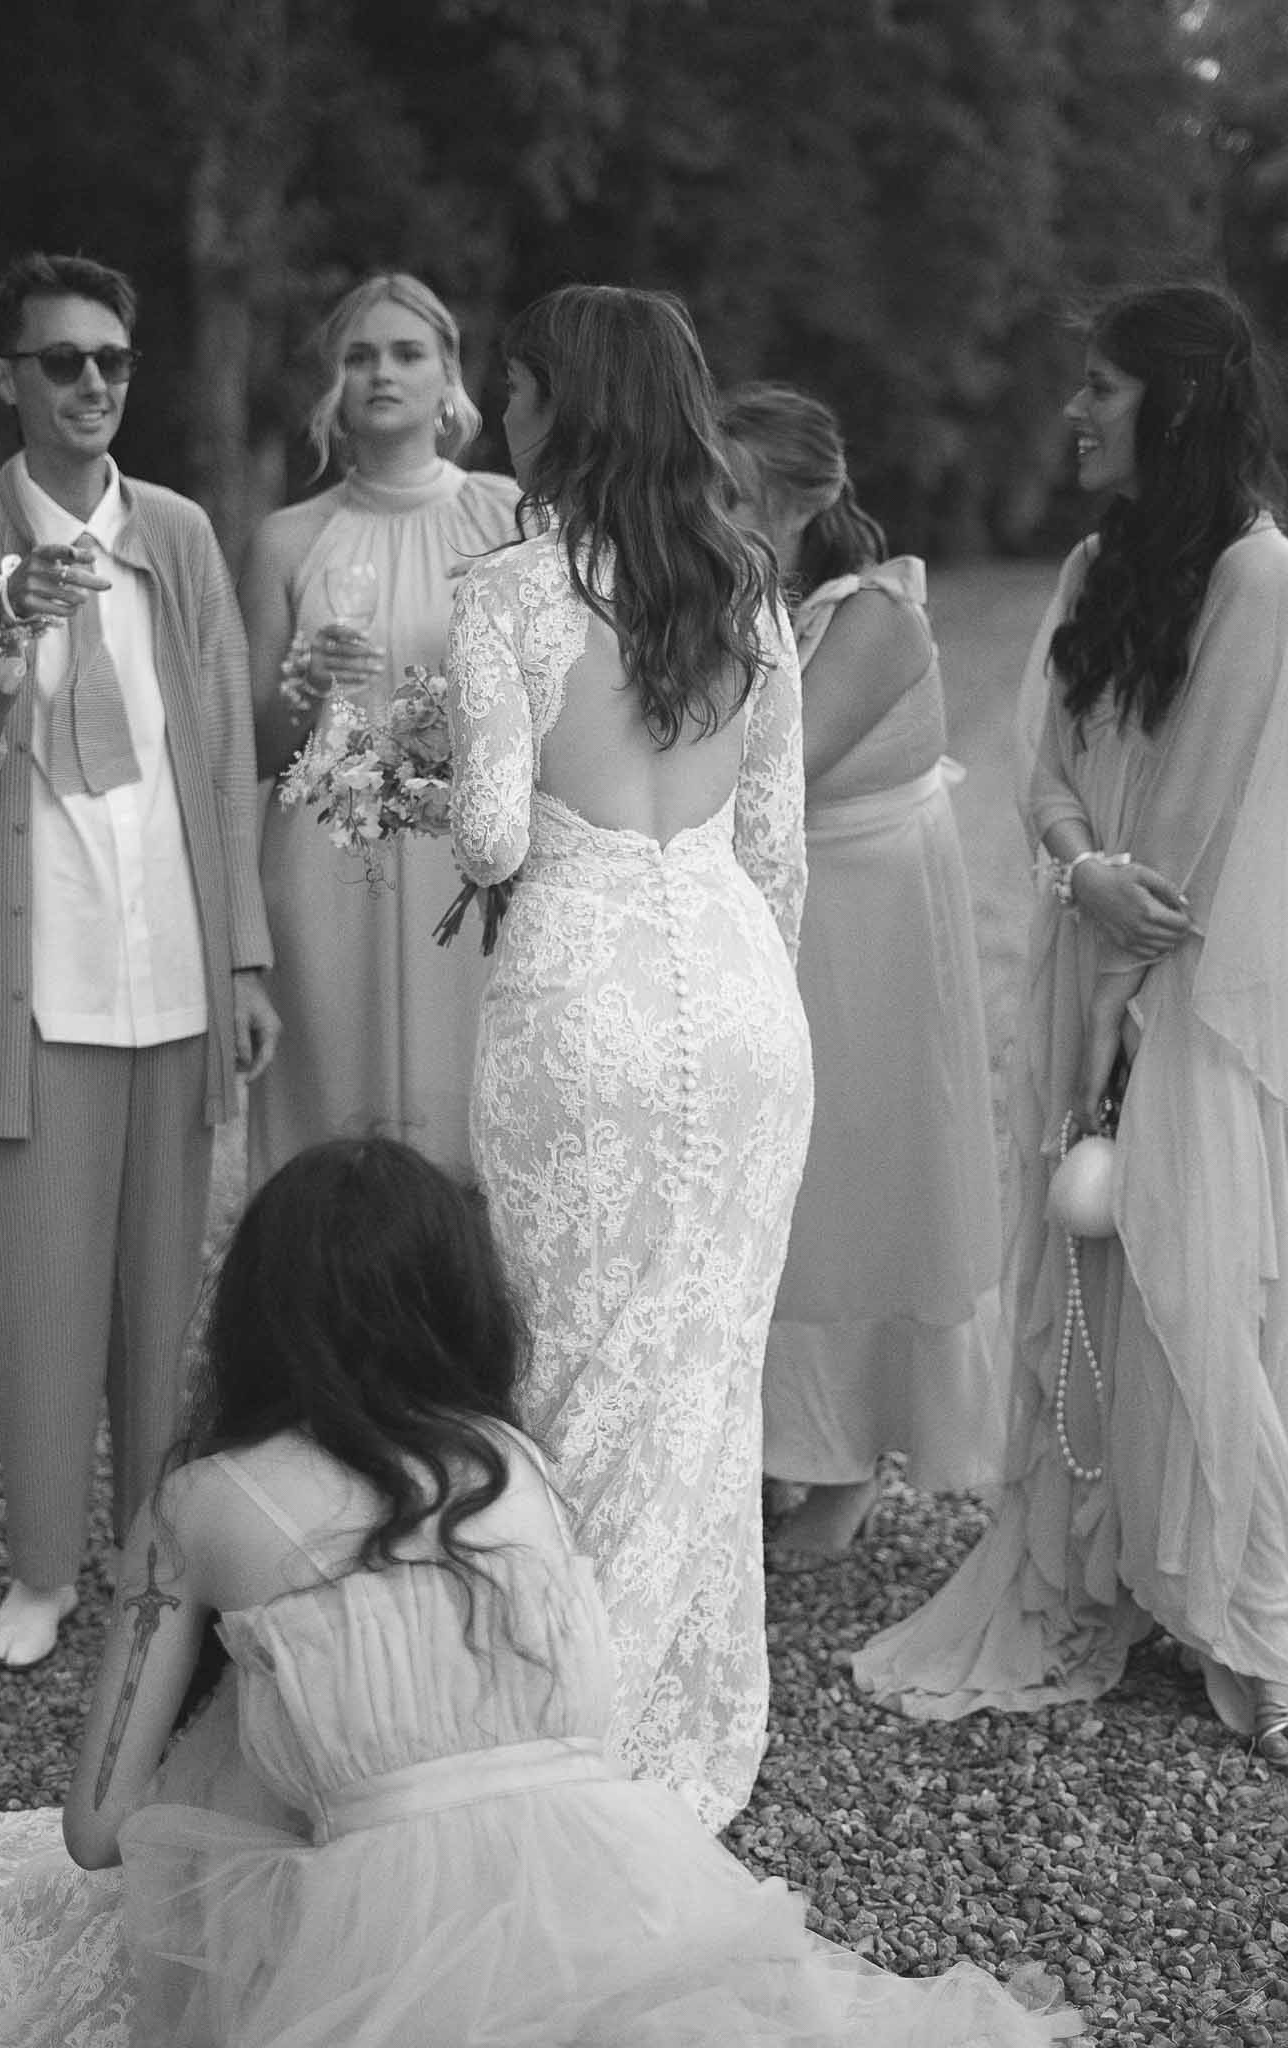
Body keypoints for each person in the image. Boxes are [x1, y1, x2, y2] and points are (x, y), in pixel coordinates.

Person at [0, 1137, 1083, 2047]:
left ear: (257, 1314)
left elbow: (97, 1829)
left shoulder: (201, 1502)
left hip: (373, 1923)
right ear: (461, 1300)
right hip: (609, 1870)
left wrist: (252, 1759)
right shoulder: (510, 1462)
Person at [853, 281, 1288, 1767]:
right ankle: (1099, 1559)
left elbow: (1198, 815)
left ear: (1174, 400)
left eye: (1100, 385)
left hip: (1181, 985)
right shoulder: (1098, 564)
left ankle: (1251, 1614)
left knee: (1185, 1276)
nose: (1072, 409)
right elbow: (1040, 762)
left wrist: (1121, 999)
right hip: (1079, 941)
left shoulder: (1255, 573)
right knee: (1081, 1267)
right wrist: (1073, 866)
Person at [0, 251, 279, 1671]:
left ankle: (144, 1559)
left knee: (161, 1297)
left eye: (112, 359)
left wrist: (242, 958)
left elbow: (223, 751)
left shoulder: (175, 531)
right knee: (42, 1289)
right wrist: (4, 634)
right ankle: (42, 1571)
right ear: (9, 378)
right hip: (40, 982)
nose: (94, 383)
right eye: (63, 361)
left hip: (171, 967)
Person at [446, 286, 812, 1832]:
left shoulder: (506, 592)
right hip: (739, 1002)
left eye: (516, 390)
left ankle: (558, 1726)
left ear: (566, 406)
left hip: (578, 998)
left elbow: (489, 834)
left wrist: (424, 762)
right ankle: (678, 1729)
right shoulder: (747, 588)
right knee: (703, 1376)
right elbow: (776, 854)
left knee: (567, 1361)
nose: (500, 416)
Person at [721, 384, 1004, 1558]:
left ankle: (844, 1460)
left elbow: (770, 766)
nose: (702, 511)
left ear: (803, 499)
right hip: (772, 913)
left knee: (855, 1181)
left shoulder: (876, 614)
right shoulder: (735, 597)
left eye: (727, 491)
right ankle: (760, 1443)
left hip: (866, 924)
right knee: (764, 1178)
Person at [239, 272, 520, 1187]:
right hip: (327, 866)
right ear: (334, 384)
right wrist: (306, 683)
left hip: (468, 869)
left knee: (474, 1125)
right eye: (360, 357)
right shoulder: (288, 540)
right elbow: (253, 751)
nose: (382, 374)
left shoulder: (507, 516)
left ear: (449, 376)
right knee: (333, 1136)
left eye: (407, 353)